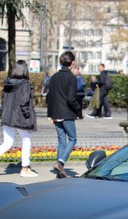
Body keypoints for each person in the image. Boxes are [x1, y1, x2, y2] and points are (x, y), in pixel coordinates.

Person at [0, 60, 38, 178]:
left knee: (7, 142)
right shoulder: (25, 84)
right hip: (20, 118)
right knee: (26, 141)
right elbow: (24, 102)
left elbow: (4, 101)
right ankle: (25, 168)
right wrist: (28, 115)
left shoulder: (8, 84)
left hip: (7, 117)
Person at [46, 51, 83, 179]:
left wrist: (50, 115)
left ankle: (59, 171)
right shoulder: (71, 78)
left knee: (61, 140)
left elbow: (50, 97)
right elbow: (71, 99)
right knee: (72, 139)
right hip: (67, 113)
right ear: (72, 63)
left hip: (56, 113)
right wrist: (79, 110)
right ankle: (61, 163)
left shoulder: (54, 77)